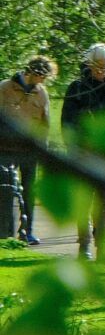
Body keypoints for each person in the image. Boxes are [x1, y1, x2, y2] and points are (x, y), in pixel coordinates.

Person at [60, 44, 105, 261]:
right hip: (83, 152)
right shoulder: (76, 88)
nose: (100, 70)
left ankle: (102, 245)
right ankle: (84, 245)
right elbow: (68, 121)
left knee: (104, 200)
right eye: (96, 66)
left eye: (104, 66)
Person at [0, 56, 57, 245]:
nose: (44, 80)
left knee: (29, 191)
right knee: (6, 191)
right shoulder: (5, 88)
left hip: (29, 152)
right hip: (5, 149)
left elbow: (45, 124)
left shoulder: (42, 94)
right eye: (43, 76)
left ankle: (27, 232)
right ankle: (5, 233)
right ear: (33, 72)